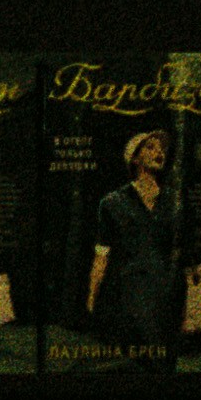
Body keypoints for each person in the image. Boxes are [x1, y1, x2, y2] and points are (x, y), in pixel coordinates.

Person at [79, 128, 182, 351]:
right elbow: (101, 255)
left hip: (163, 296)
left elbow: (177, 251)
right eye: (150, 147)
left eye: (162, 149)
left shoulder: (173, 202)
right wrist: (92, 296)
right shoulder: (113, 203)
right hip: (127, 297)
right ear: (135, 158)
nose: (159, 152)